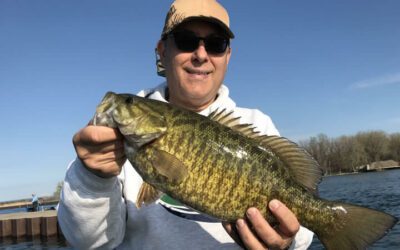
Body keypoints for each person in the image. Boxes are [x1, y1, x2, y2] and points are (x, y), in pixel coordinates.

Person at [58, 0, 314, 249]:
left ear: (228, 55)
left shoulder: (258, 125)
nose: (201, 55)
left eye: (216, 44)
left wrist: (287, 242)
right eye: (186, 41)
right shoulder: (111, 142)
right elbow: (88, 243)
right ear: (162, 50)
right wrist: (93, 179)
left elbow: (302, 234)